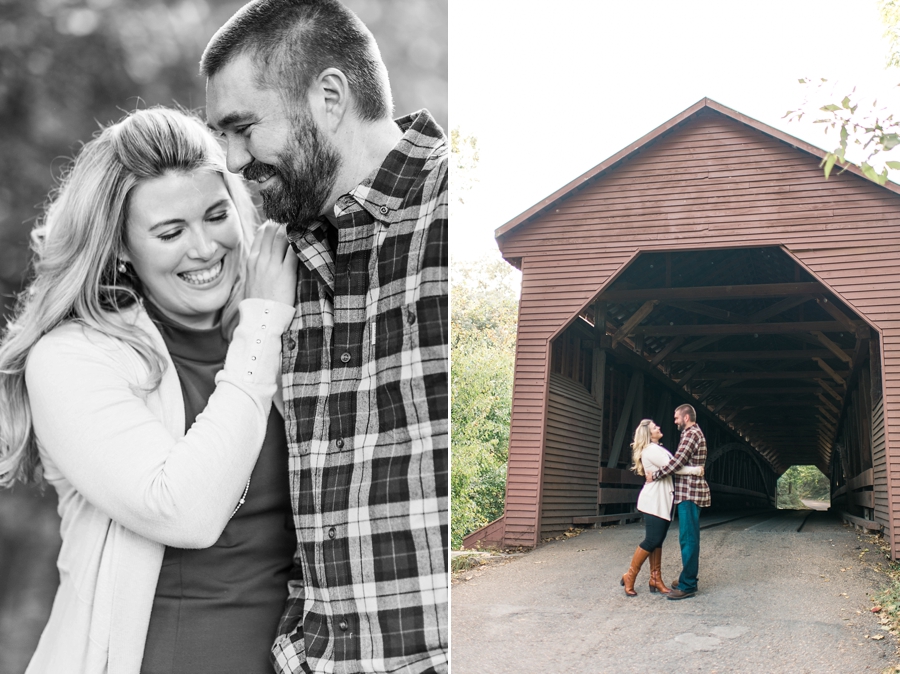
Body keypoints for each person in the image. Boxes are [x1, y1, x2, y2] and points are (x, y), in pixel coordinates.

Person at [0, 107, 300, 673]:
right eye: (170, 232)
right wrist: (261, 327)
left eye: (217, 216)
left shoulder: (284, 324)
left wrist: (262, 322)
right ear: (119, 247)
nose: (205, 248)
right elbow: (184, 511)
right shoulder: (72, 359)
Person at [202, 1, 448, 672]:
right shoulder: (270, 262)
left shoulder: (452, 210)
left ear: (331, 97)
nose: (230, 158)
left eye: (242, 128)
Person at [621, 419, 704, 597]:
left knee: (657, 540)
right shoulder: (651, 450)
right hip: (654, 501)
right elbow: (673, 468)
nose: (658, 427)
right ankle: (630, 575)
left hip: (661, 501)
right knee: (652, 540)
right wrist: (696, 470)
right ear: (648, 434)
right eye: (654, 427)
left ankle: (656, 579)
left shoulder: (657, 449)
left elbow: (670, 467)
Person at [647, 403, 710, 600]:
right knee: (688, 537)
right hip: (688, 492)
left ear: (686, 417)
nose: (674, 421)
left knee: (688, 538)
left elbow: (677, 462)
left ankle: (688, 585)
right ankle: (687, 577)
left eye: (676, 418)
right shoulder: (691, 433)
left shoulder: (691, 434)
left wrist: (655, 475)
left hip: (690, 492)